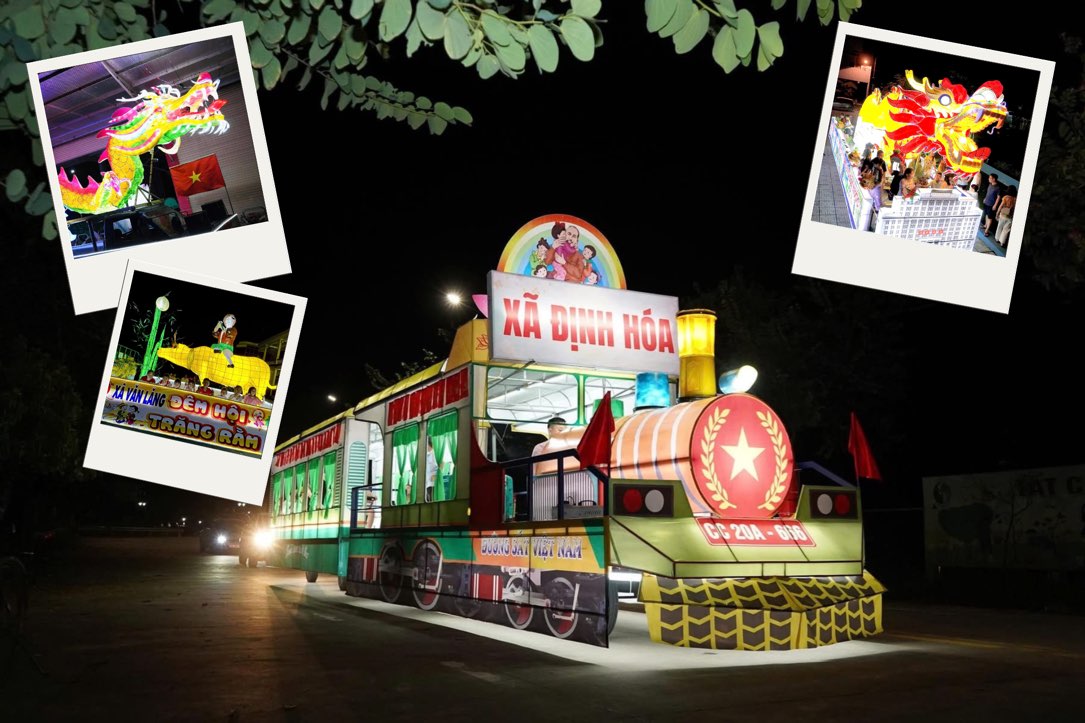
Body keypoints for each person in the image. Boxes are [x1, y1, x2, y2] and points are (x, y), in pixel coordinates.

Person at [424, 438, 438, 503]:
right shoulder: (426, 454)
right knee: (428, 499)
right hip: (427, 482)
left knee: (433, 499)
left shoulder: (436, 453)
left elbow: (442, 463)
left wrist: (435, 475)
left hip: (433, 481)